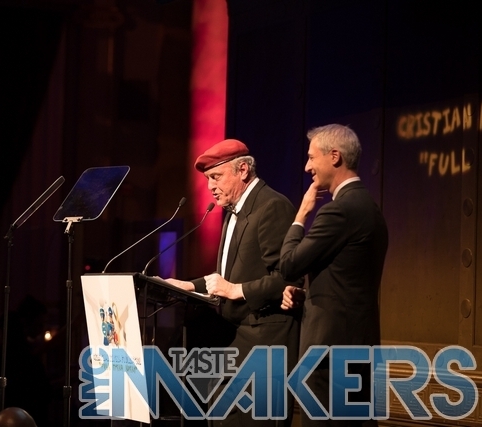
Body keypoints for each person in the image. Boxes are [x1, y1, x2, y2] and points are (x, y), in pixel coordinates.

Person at [165, 138, 301, 427]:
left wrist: (236, 290)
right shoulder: (233, 211)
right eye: (208, 179)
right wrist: (190, 285)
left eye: (216, 177)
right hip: (234, 342)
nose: (210, 186)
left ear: (243, 170)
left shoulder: (272, 206)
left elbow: (287, 277)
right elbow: (228, 279)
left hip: (264, 344)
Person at [279, 124, 389, 427]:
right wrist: (309, 294)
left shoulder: (339, 210)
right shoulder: (370, 208)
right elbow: (348, 280)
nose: (307, 167)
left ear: (335, 156)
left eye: (312, 157)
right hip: (358, 347)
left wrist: (301, 215)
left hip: (328, 353)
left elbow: (288, 265)